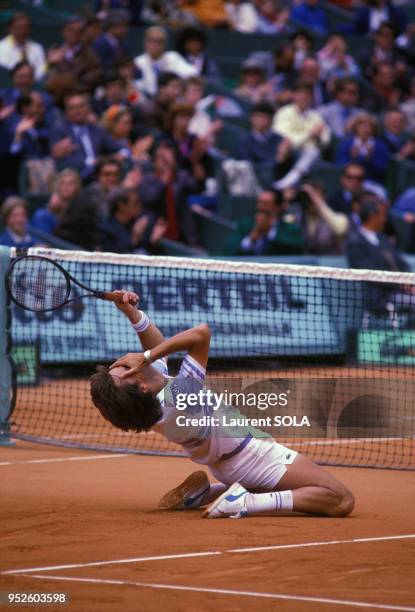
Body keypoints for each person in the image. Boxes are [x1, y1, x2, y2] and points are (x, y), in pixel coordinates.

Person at [90, 291, 355, 519]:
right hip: (253, 459)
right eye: (123, 369)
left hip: (227, 466)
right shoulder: (181, 396)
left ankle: (210, 491)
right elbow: (200, 334)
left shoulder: (153, 394)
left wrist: (131, 313)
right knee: (339, 499)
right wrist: (146, 355)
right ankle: (246, 501)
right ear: (141, 385)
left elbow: (158, 345)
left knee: (286, 486)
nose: (122, 361)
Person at [346, 199, 415, 316]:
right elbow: (370, 273)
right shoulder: (355, 242)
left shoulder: (383, 238)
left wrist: (410, 283)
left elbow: (401, 263)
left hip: (400, 290)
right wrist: (402, 285)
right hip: (379, 295)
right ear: (373, 216)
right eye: (383, 215)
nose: (385, 220)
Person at [50, 93, 129, 180]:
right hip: (78, 175)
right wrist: (91, 162)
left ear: (88, 109)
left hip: (100, 174)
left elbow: (117, 147)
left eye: (81, 106)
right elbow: (62, 162)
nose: (77, 111)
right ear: (66, 112)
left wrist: (122, 154)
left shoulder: (96, 130)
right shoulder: (60, 131)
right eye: (72, 108)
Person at [272, 85, 331, 189]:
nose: (304, 97)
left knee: (313, 151)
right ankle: (291, 179)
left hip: (311, 154)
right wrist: (309, 135)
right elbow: (283, 137)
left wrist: (317, 137)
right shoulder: (284, 112)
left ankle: (290, 180)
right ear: (294, 96)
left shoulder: (316, 116)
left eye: (307, 94)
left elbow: (326, 140)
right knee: (309, 150)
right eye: (301, 93)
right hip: (289, 152)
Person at [226, 189, 304, 256]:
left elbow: (298, 247)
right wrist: (251, 239)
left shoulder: (289, 227)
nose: (260, 207)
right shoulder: (245, 224)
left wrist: (270, 232)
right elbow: (228, 251)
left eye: (266, 204)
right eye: (259, 203)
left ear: (278, 207)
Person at [134, 26, 197, 99]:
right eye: (152, 40)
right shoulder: (138, 62)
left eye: (160, 41)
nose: (156, 45)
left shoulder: (173, 57)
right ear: (145, 43)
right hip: (148, 101)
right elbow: (137, 86)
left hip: (173, 99)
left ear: (165, 44)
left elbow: (193, 73)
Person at [235, 102, 292, 181]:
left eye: (266, 117)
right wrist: (278, 159)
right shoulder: (244, 142)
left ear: (271, 120)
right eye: (259, 117)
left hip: (279, 180)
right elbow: (251, 169)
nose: (262, 121)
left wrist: (284, 155)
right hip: (253, 181)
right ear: (251, 118)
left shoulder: (280, 140)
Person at [99, 187, 167, 253]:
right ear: (121, 205)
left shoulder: (135, 223)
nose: (140, 207)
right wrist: (134, 238)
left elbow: (149, 252)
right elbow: (111, 254)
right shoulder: (106, 228)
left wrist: (154, 242)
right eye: (136, 203)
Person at [291, 182, 349, 255]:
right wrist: (286, 202)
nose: (311, 199)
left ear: (324, 198)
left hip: (331, 262)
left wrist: (318, 202)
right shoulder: (299, 215)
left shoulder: (336, 215)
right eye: (309, 196)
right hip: (306, 262)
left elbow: (340, 230)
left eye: (316, 195)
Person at [335, 113, 390, 185]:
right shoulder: (346, 144)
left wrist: (369, 160)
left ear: (374, 129)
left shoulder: (380, 146)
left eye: (369, 126)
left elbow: (381, 169)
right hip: (348, 182)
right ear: (355, 127)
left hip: (372, 182)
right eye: (362, 125)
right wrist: (352, 159)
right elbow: (339, 165)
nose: (365, 128)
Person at [31, 169, 82, 234]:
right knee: (40, 215)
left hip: (72, 237)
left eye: (70, 183)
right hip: (54, 236)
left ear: (77, 186)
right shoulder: (53, 203)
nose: (66, 186)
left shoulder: (82, 203)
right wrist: (50, 209)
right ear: (58, 186)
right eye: (62, 183)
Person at [0, 13, 46, 81]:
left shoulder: (37, 48)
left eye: (25, 27)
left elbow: (41, 70)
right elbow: (5, 70)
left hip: (33, 85)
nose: (22, 31)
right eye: (18, 27)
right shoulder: (1, 47)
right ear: (10, 28)